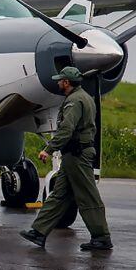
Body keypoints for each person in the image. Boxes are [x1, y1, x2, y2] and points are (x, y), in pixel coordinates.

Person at [19, 66, 113, 251]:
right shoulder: (83, 97)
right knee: (59, 196)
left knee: (88, 197)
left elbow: (66, 129)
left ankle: (101, 237)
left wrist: (49, 148)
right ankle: (38, 232)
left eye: (60, 80)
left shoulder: (75, 101)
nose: (58, 82)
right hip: (72, 156)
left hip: (77, 156)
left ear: (67, 82)